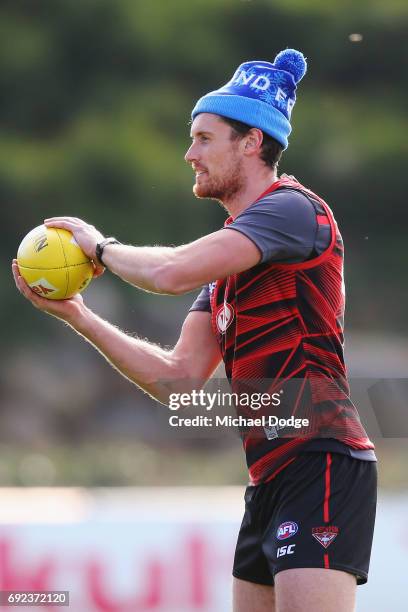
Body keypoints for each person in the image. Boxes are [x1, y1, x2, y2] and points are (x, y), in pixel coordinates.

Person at [12, 49, 377, 612]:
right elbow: (178, 379)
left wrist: (100, 247)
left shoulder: (292, 211)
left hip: (322, 460)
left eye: (205, 138)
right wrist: (79, 316)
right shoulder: (233, 267)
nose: (190, 154)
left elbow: (168, 271)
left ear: (252, 142)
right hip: (269, 478)